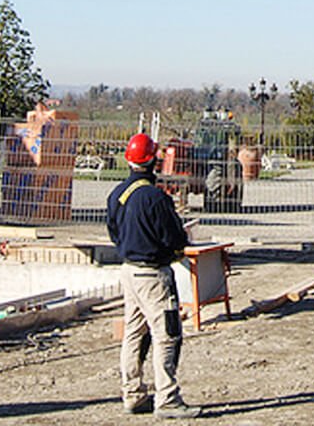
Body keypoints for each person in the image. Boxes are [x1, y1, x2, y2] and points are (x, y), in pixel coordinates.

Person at [107, 133, 201, 418]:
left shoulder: (118, 194)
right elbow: (174, 238)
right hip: (153, 275)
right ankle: (167, 399)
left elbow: (114, 232)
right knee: (167, 334)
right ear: (154, 160)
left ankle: (133, 394)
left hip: (129, 270)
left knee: (134, 333)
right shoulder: (156, 198)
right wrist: (178, 247)